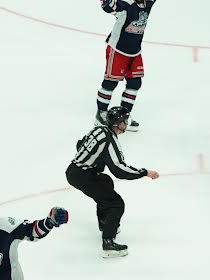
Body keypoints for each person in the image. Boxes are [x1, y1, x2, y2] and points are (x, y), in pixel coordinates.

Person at [66, 106, 159, 257]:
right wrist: (145, 172)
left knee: (105, 182)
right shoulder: (110, 140)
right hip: (83, 176)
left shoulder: (98, 129)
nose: (126, 124)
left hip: (74, 170)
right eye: (124, 121)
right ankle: (108, 243)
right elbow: (119, 169)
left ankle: (105, 223)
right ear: (117, 123)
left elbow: (80, 144)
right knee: (115, 204)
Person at [94, 0, 171, 130]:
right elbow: (111, 6)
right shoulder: (125, 3)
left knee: (135, 83)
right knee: (111, 82)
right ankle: (101, 113)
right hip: (118, 50)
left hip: (135, 51)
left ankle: (124, 115)